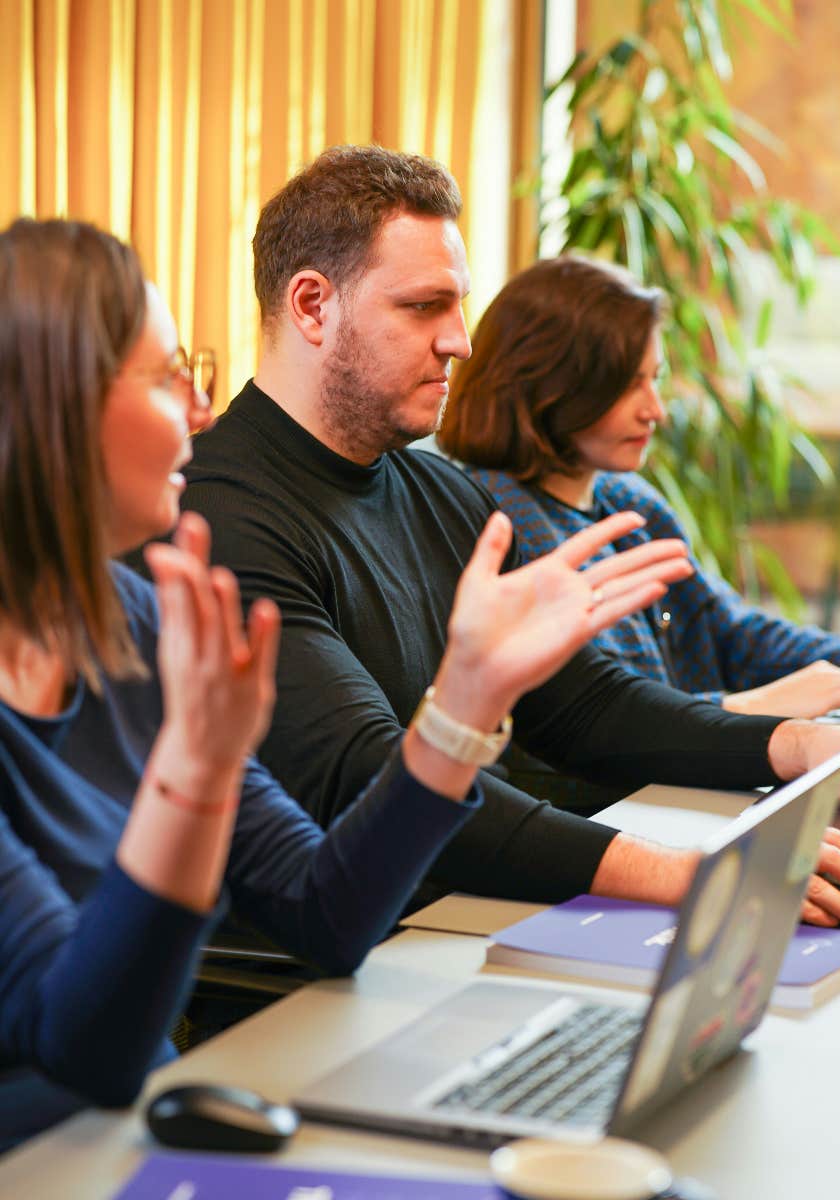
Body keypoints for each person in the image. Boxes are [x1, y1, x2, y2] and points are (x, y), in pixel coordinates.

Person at [0, 219, 684, 1148]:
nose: (201, 412)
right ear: (53, 410)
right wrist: (194, 777)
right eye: (168, 377)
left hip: (134, 1139)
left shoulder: (144, 621)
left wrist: (465, 706)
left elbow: (325, 911)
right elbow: (85, 1052)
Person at [183, 143, 840, 933]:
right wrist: (692, 875)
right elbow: (375, 779)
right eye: (423, 307)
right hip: (337, 970)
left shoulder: (438, 490)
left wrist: (799, 745)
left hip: (468, 922)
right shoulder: (220, 515)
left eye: (459, 305)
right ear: (311, 306)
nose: (460, 341)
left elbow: (588, 708)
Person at [437, 253, 840, 720]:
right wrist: (742, 709)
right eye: (629, 385)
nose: (656, 411)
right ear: (551, 381)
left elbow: (728, 631)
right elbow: (592, 726)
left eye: (654, 380)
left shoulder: (627, 498)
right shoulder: (494, 519)